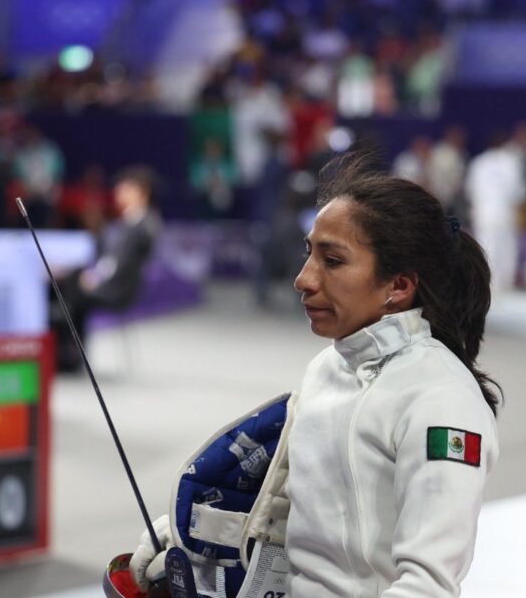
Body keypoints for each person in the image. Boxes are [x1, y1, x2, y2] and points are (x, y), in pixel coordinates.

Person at [127, 155, 500, 597]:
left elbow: (427, 586)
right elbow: (284, 510)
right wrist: (192, 538)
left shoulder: (440, 398)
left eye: (333, 260)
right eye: (310, 253)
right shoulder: (326, 367)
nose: (304, 279)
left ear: (397, 286)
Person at [51, 167, 159, 371]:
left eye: (125, 188)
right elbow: (105, 257)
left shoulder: (143, 225)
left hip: (119, 288)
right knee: (66, 286)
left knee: (72, 295)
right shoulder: (124, 223)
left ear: (141, 192)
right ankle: (67, 352)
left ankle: (70, 356)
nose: (118, 192)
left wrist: (94, 277)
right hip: (109, 281)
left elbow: (120, 263)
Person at [467, 131, 526, 292]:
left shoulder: (478, 162)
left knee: (486, 247)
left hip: (483, 213)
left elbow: (470, 190)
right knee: (506, 248)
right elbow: (519, 193)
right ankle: (506, 284)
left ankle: (490, 285)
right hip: (504, 213)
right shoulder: (512, 162)